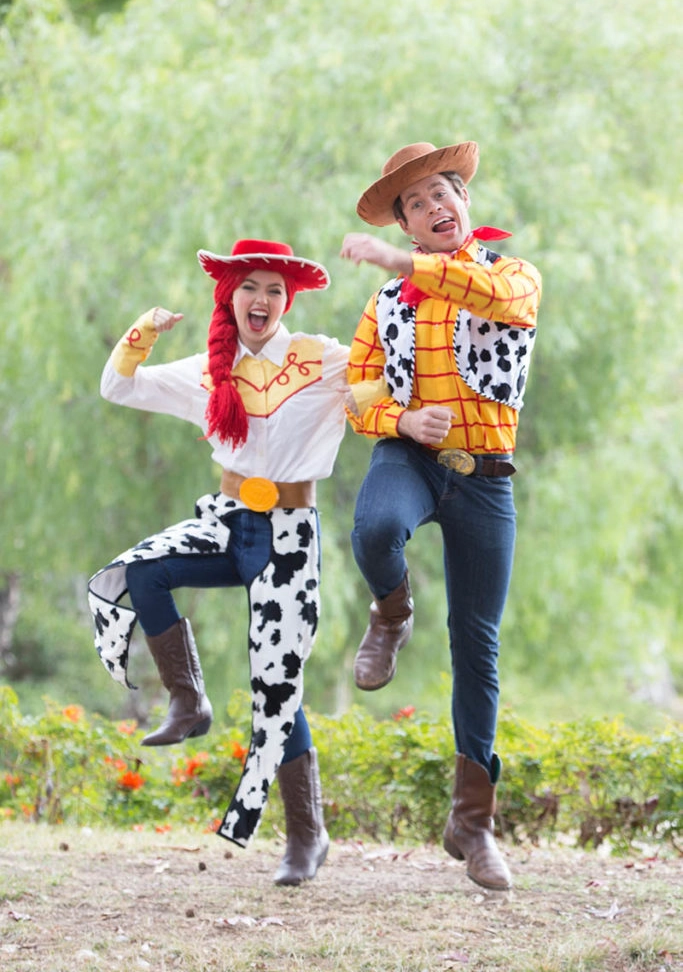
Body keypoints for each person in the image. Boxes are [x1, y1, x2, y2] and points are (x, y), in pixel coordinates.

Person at [87, 239, 367, 886]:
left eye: (273, 289)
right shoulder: (208, 369)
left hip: (289, 534)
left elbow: (383, 381)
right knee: (142, 570)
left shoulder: (322, 357)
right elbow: (117, 386)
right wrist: (144, 330)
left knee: (277, 683)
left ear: (287, 300)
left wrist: (382, 396)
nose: (261, 300)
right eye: (249, 287)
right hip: (228, 522)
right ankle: (188, 701)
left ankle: (306, 835)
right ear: (230, 297)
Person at [340, 141, 542, 891]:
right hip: (413, 461)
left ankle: (473, 823)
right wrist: (400, 420)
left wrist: (404, 265)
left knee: (476, 644)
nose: (435, 208)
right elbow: (358, 391)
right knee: (374, 529)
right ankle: (390, 613)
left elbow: (494, 303)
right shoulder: (385, 305)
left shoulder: (512, 276)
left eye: (443, 193)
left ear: (465, 202)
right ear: (406, 223)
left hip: (485, 478)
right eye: (417, 202)